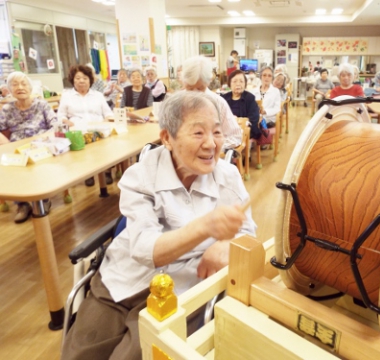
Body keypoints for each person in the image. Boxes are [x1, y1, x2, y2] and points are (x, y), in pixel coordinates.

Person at [61, 90, 256, 360]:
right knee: (80, 354)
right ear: (167, 138)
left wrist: (227, 244)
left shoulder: (227, 176)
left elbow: (248, 233)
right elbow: (145, 250)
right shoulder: (141, 176)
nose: (211, 144)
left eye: (217, 132)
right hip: (123, 279)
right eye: (198, 133)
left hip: (184, 286)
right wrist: (207, 226)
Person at [0, 72, 56, 223]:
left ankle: (43, 199)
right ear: (9, 90)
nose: (20, 87)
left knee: (39, 164)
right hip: (16, 148)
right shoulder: (7, 109)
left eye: (24, 84)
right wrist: (6, 144)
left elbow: (55, 125)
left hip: (40, 146)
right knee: (10, 165)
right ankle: (22, 204)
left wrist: (43, 140)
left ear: (30, 88)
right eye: (15, 84)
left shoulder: (42, 104)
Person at [58, 64, 114, 186]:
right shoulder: (67, 96)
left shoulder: (98, 95)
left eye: (85, 78)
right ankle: (88, 173)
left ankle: (106, 170)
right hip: (78, 132)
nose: (81, 81)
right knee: (82, 149)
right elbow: (60, 116)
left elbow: (108, 113)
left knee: (105, 146)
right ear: (73, 80)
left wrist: (107, 120)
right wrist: (67, 122)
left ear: (90, 80)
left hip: (99, 130)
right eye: (77, 78)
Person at [181, 55, 242, 150]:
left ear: (208, 82)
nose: (195, 94)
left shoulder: (218, 103)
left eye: (200, 88)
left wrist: (212, 147)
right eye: (190, 88)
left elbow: (235, 136)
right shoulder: (177, 103)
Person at [221, 69, 261, 140]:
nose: (238, 84)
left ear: (245, 84)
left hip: (244, 130)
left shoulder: (250, 98)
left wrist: (239, 122)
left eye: (241, 81)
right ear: (229, 84)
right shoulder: (223, 98)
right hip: (226, 129)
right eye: (235, 81)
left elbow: (254, 118)